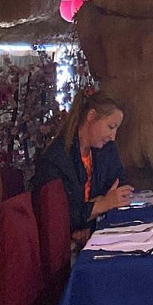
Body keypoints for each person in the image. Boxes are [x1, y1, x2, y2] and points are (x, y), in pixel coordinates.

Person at [33, 88, 133, 235]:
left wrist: (91, 217)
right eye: (111, 127)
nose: (113, 136)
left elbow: (119, 187)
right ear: (91, 116)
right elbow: (60, 215)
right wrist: (102, 204)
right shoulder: (57, 159)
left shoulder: (107, 150)